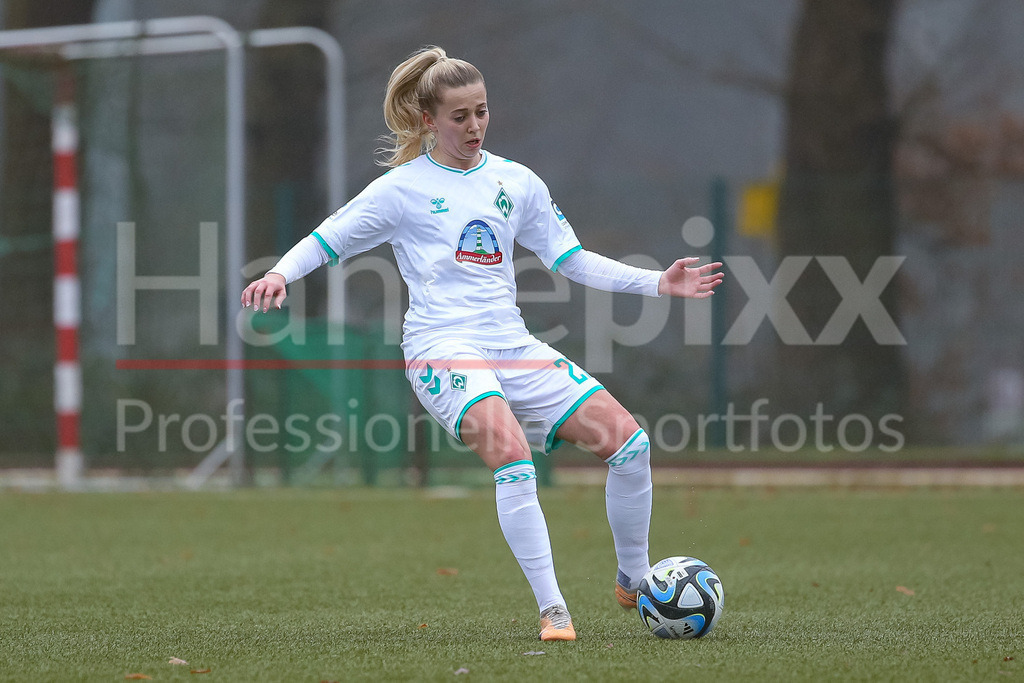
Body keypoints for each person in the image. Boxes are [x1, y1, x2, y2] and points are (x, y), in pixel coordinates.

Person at [242, 46, 724, 642]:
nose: (474, 126)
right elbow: (329, 238)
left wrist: (656, 282)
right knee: (512, 453)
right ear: (428, 122)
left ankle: (635, 579)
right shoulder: (401, 189)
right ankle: (554, 610)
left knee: (629, 445)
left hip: (511, 343)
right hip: (440, 346)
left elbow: (570, 260)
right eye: (459, 116)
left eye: (481, 112)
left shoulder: (516, 182)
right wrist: (280, 274)